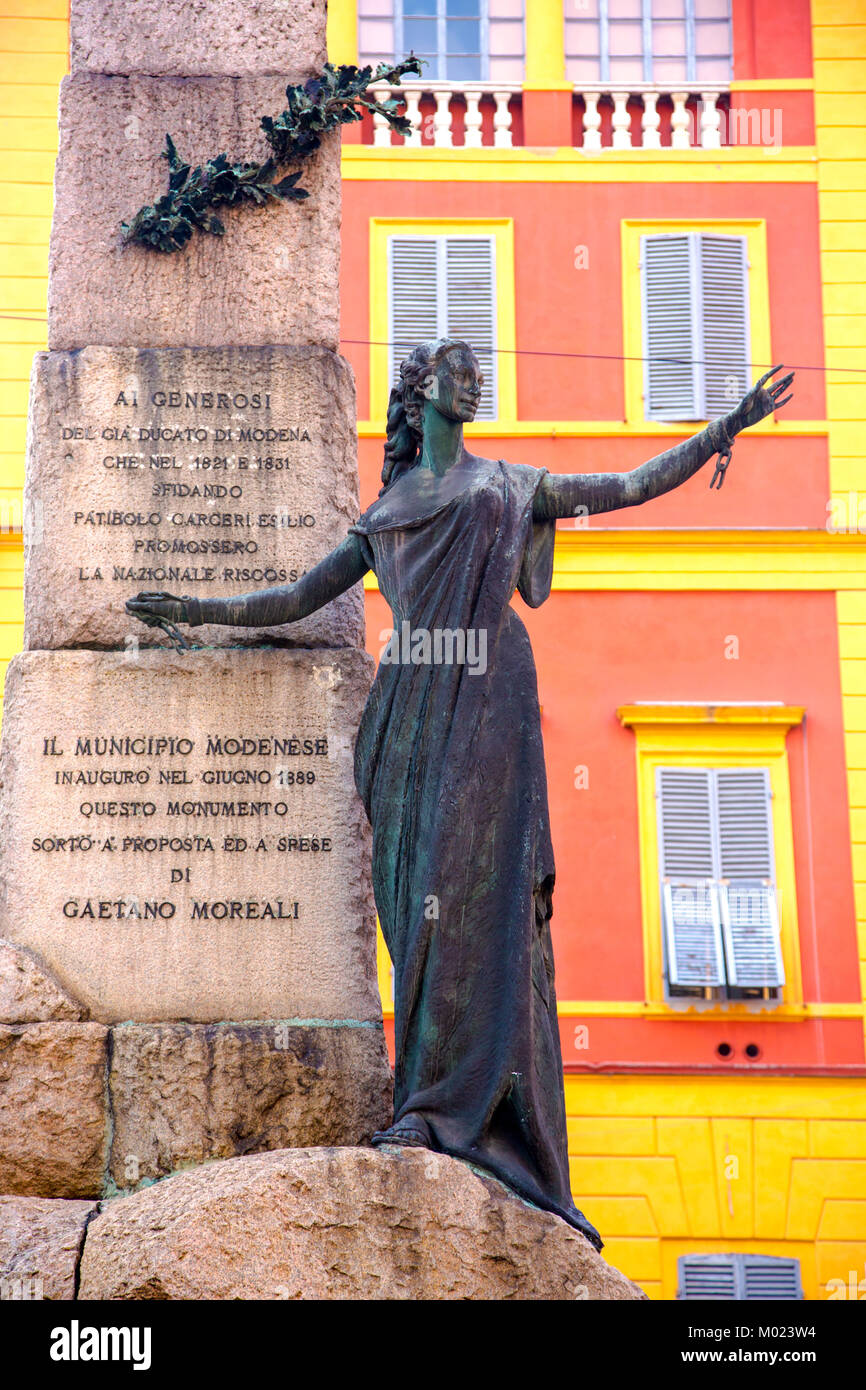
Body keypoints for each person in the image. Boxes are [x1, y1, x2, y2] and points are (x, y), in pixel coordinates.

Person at [128, 340, 794, 1252]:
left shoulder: (510, 485)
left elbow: (629, 485)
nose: (475, 383)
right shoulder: (389, 512)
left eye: (478, 372)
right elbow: (296, 595)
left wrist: (726, 427)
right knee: (419, 907)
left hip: (489, 695)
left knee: (482, 907)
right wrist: (198, 612)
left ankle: (470, 1115)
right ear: (421, 394)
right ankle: (429, 1101)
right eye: (459, 372)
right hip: (409, 709)